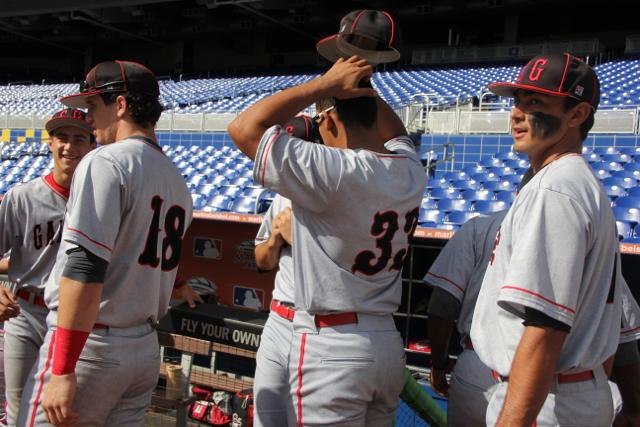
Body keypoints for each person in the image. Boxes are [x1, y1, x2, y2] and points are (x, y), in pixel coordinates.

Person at [228, 54, 426, 426]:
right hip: (385, 339)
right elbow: (397, 134)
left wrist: (326, 85)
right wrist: (363, 83)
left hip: (333, 343)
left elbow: (243, 128)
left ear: (330, 120)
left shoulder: (337, 172)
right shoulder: (411, 168)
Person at [17, 60, 193, 426]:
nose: (89, 119)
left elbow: (85, 268)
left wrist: (63, 368)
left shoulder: (107, 161)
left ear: (122, 105)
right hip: (143, 349)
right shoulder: (176, 178)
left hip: (91, 345)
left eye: (94, 106)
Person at [470, 53, 623, 426]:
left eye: (535, 102)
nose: (517, 113)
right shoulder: (574, 182)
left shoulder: (555, 189)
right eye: (518, 101)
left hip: (546, 399)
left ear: (577, 114)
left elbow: (545, 327)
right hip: (565, 391)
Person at [0, 108, 96, 426]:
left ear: (92, 146)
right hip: (27, 313)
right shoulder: (21, 198)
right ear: (50, 144)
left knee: (62, 413)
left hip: (77, 318)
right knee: (17, 411)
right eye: (62, 138)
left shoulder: (103, 200)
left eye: (79, 139)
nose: (69, 146)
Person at [252, 115, 318, 427]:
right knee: (267, 418)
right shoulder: (281, 197)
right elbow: (262, 261)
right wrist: (277, 238)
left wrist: (297, 238)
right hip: (278, 319)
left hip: (317, 325)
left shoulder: (335, 197)